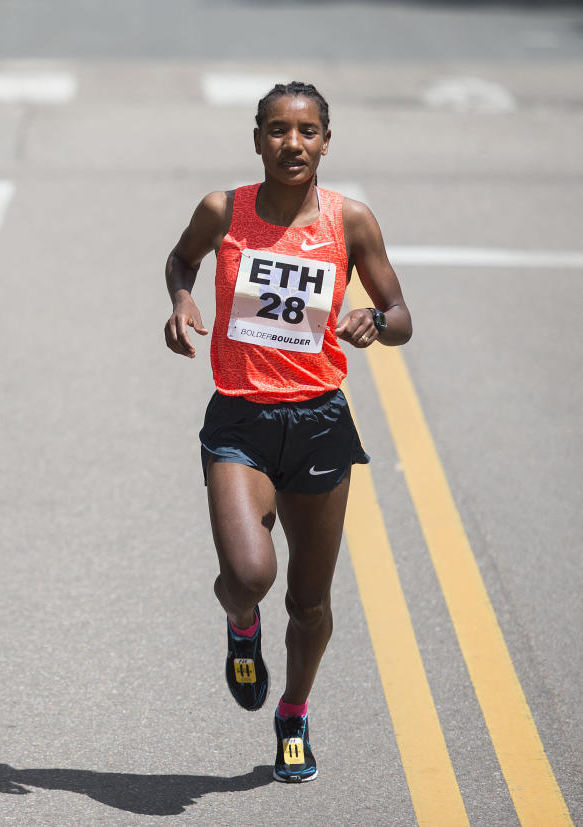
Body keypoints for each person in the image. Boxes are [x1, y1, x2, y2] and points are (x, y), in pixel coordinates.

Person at [162, 82, 411, 783]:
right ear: (257, 138)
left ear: (326, 141)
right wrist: (182, 299)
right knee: (249, 574)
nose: (291, 144)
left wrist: (375, 322)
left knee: (309, 601)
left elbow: (399, 313)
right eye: (277, 130)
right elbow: (182, 258)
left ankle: (294, 711)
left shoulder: (351, 221)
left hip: (320, 421)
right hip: (240, 417)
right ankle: (242, 623)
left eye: (306, 132)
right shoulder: (223, 210)